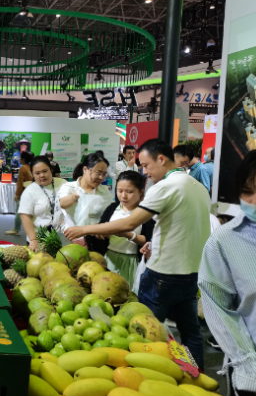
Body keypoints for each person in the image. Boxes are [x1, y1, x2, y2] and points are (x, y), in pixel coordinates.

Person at [64, 139, 210, 370]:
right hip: (191, 272)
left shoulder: (166, 187)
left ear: (161, 159)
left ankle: (144, 378)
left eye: (145, 165)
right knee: (191, 332)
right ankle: (197, 377)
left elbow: (130, 222)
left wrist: (84, 229)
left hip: (163, 274)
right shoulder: (197, 186)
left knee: (143, 331)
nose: (143, 171)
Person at [199, 146, 256, 396]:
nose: (255, 201)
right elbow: (220, 311)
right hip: (254, 378)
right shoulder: (224, 241)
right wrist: (255, 373)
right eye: (247, 192)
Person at [86, 171, 155, 289]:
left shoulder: (145, 213)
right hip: (109, 259)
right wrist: (101, 235)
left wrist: (127, 234)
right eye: (120, 191)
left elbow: (148, 241)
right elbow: (100, 230)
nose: (123, 196)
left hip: (131, 262)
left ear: (141, 192)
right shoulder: (112, 209)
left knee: (127, 294)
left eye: (129, 192)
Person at [58, 153, 113, 243]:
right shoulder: (70, 187)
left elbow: (110, 212)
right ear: (85, 169)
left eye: (104, 174)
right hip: (73, 237)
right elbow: (63, 204)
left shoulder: (104, 190)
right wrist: (75, 196)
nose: (101, 178)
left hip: (96, 238)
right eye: (98, 173)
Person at [18, 156, 66, 251]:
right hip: (39, 240)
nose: (42, 175)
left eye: (45, 171)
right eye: (37, 173)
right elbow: (25, 216)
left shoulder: (63, 184)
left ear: (51, 170)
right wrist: (33, 239)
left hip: (61, 237)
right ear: (33, 174)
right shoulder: (30, 191)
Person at [6, 151, 34, 236]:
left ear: (24, 159)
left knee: (19, 211)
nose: (19, 159)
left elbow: (20, 183)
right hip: (32, 192)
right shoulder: (31, 167)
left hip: (24, 193)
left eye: (20, 157)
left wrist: (17, 194)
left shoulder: (23, 168)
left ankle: (16, 229)